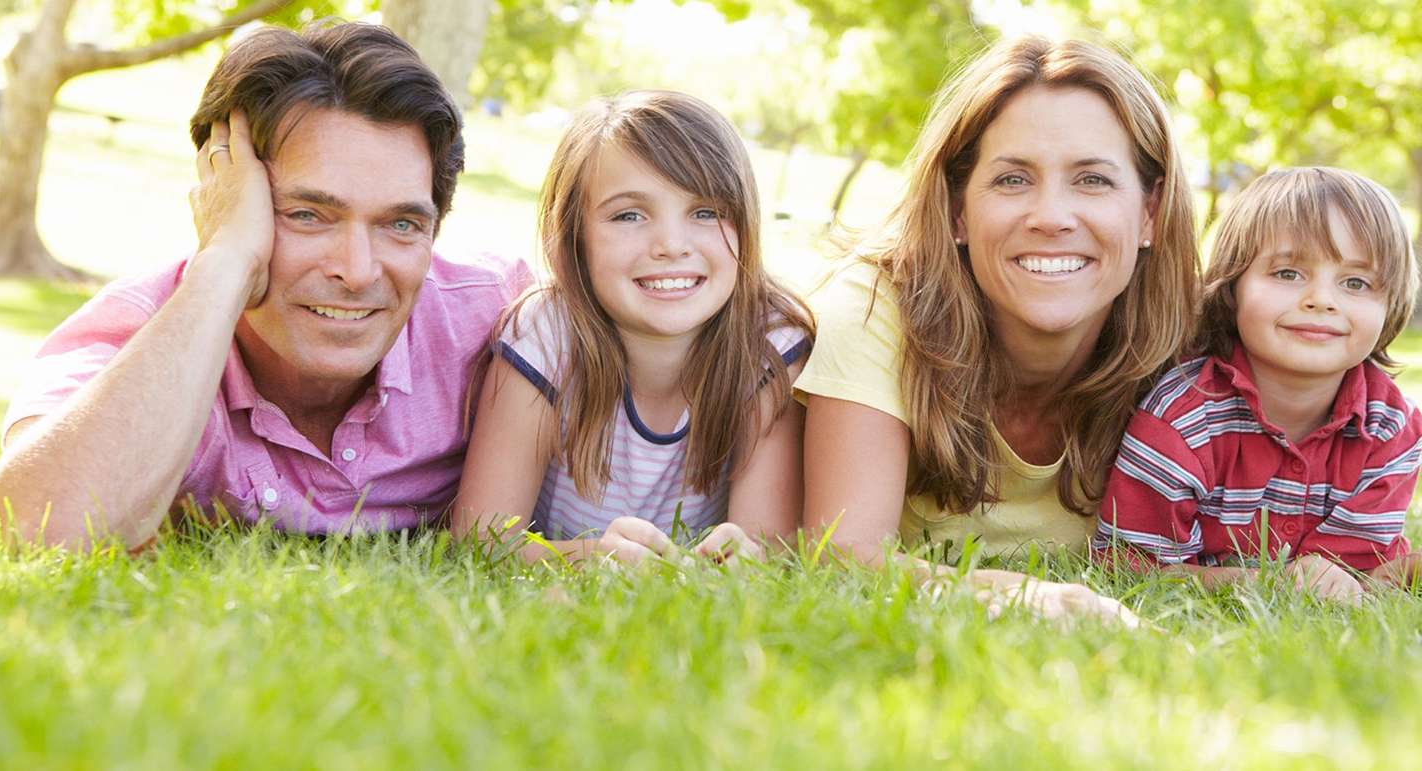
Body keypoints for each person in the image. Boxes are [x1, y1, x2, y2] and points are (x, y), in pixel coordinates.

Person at [0, 22, 530, 550]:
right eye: (307, 214)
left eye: (401, 224)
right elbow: (34, 532)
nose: (359, 271)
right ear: (223, 197)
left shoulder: (498, 318)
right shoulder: (130, 335)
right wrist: (225, 260)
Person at [794, 36, 1199, 623]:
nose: (1052, 217)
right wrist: (1024, 597)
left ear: (1149, 214)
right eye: (1013, 180)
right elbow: (841, 555)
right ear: (959, 210)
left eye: (1093, 180)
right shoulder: (878, 306)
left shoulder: (1190, 347)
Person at [453, 91, 812, 565]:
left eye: (706, 212)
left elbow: (765, 549)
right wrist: (590, 558)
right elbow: (480, 543)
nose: (671, 245)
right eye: (629, 215)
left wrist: (744, 562)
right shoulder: (543, 336)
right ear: (572, 238)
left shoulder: (771, 343)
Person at [1096, 167, 1422, 600]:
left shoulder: (1391, 427)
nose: (1322, 300)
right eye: (1288, 273)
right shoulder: (1182, 418)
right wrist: (1267, 583)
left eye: (1356, 283)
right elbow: (1129, 565)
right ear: (1232, 287)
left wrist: (1367, 579)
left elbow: (1350, 572)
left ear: (1391, 305)